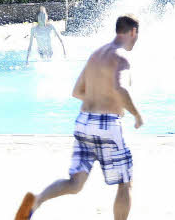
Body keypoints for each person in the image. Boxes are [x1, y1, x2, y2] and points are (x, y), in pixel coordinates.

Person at [15, 15, 142, 220]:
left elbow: (77, 91)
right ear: (133, 32)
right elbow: (120, 89)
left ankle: (36, 201)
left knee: (75, 183)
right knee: (124, 182)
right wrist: (136, 115)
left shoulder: (96, 55)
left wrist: (99, 97)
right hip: (107, 124)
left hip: (84, 122)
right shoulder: (121, 57)